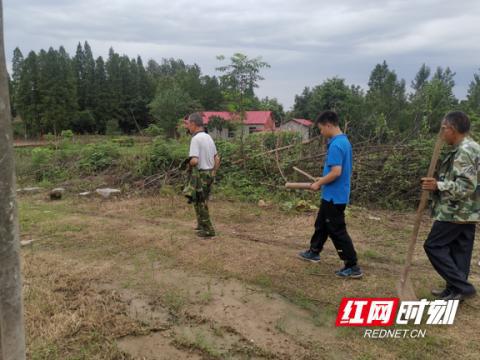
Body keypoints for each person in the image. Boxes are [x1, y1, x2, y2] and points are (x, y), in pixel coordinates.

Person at [422, 111, 479, 301]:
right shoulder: (468, 147)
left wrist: (438, 185)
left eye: (443, 129)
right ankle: (455, 290)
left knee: (433, 245)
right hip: (467, 211)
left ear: (452, 129)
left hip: (456, 211)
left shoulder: (465, 151)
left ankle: (463, 287)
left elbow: (466, 186)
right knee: (459, 251)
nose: (442, 133)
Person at [298, 110, 363, 278]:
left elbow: (336, 172)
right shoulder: (343, 141)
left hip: (335, 196)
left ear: (328, 125)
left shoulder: (335, 144)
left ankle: (352, 265)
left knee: (337, 230)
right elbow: (334, 172)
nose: (321, 132)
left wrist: (318, 183)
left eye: (321, 129)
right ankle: (314, 251)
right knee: (322, 224)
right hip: (333, 194)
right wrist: (322, 179)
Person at [184, 113, 221, 238]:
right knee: (197, 200)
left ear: (194, 124)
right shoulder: (208, 137)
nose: (187, 127)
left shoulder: (195, 139)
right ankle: (201, 225)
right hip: (209, 173)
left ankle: (209, 231)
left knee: (201, 203)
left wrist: (187, 163)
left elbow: (194, 160)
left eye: (188, 124)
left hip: (200, 175)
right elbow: (217, 158)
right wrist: (213, 172)